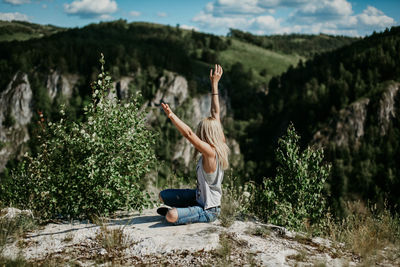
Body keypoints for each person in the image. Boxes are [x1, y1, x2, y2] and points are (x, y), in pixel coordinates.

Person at [158, 64, 230, 225]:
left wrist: (171, 116)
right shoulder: (220, 143)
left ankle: (180, 213)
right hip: (198, 196)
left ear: (206, 135)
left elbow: (188, 134)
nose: (198, 134)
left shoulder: (210, 153)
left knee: (171, 216)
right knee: (163, 195)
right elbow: (215, 113)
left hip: (208, 209)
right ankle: (183, 209)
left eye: (201, 132)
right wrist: (214, 85)